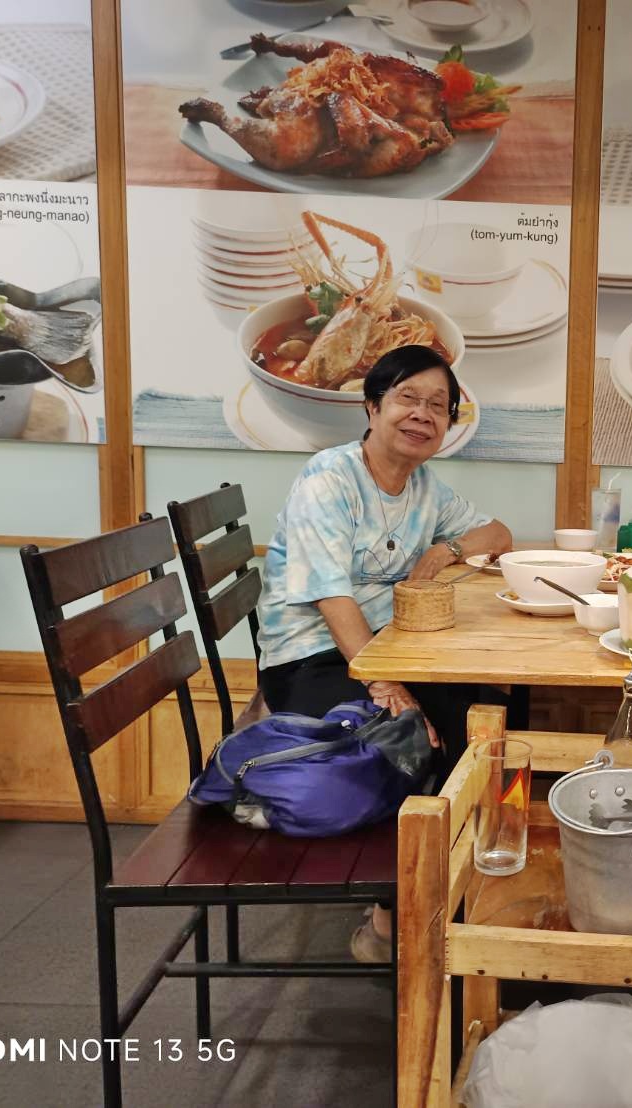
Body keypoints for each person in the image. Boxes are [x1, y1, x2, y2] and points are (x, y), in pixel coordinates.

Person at [256, 344, 512, 963]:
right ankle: (390, 918)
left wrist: (447, 550)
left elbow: (498, 534)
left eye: (438, 406)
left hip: (391, 652)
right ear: (371, 407)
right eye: (407, 398)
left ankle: (461, 898)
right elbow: (332, 598)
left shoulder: (423, 486)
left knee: (489, 717)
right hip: (312, 658)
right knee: (409, 738)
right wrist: (385, 685)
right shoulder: (328, 479)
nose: (423, 414)